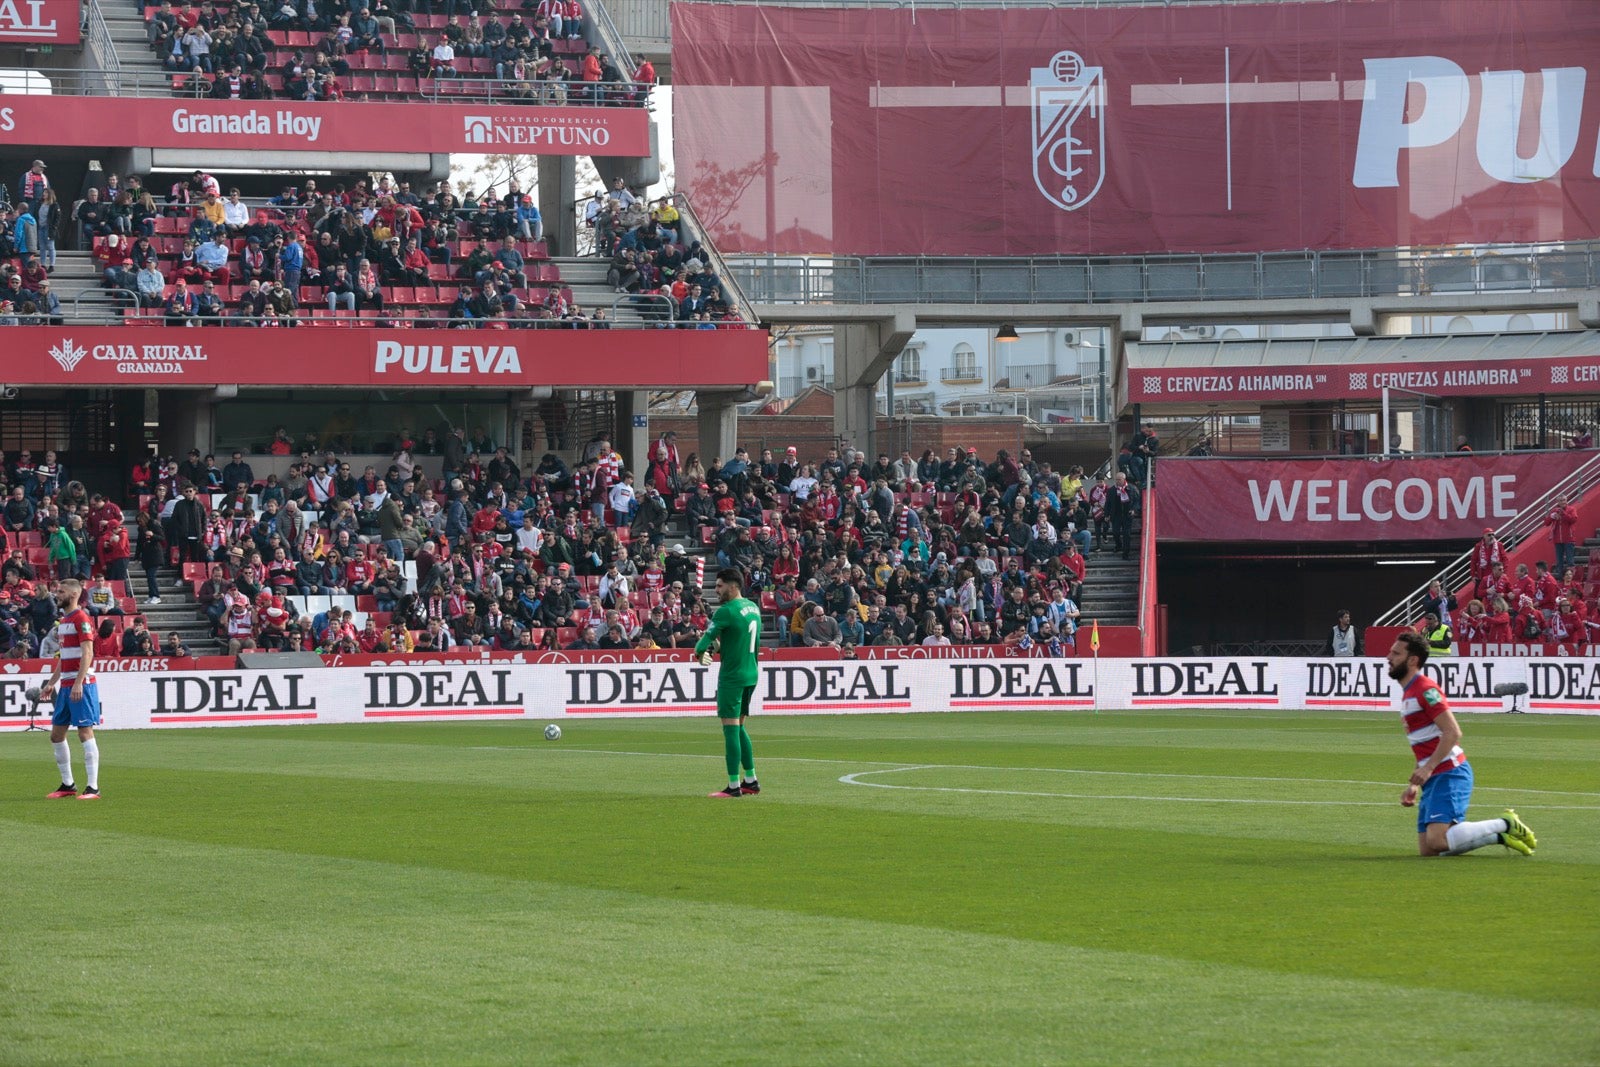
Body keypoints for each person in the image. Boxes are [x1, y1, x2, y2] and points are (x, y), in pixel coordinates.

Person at [1387, 631, 1535, 856]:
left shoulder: (1425, 690)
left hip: (1450, 772)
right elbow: (1426, 744)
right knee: (1428, 850)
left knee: (1438, 840)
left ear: (1412, 660)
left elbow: (1452, 732)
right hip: (1433, 777)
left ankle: (1505, 823)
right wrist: (1415, 783)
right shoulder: (1409, 692)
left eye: (1396, 653)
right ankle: (1498, 836)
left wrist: (1427, 769)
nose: (1389, 657)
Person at [694, 567, 762, 798]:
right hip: (751, 673)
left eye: (719, 585)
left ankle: (733, 786)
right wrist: (718, 649)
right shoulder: (753, 607)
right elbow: (737, 642)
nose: (716, 590)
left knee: (730, 729)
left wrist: (703, 653)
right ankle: (751, 780)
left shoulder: (726, 611)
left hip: (732, 677)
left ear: (733, 586)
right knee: (740, 726)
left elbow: (701, 646)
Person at [40, 579, 104, 800]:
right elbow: (64, 658)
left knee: (84, 731)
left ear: (74, 594)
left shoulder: (81, 618)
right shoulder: (64, 621)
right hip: (66, 685)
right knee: (57, 735)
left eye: (61, 591)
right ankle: (68, 784)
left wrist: (79, 681)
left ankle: (93, 787)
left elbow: (88, 653)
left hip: (81, 685)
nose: (57, 594)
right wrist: (51, 682)